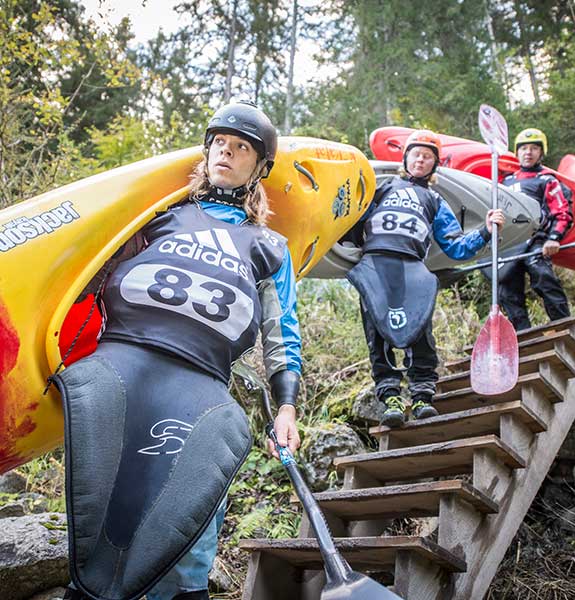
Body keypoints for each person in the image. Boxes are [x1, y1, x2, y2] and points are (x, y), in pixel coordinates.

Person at [60, 101, 302, 600]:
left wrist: (286, 405)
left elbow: (282, 333)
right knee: (99, 515)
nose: (226, 153)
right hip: (120, 364)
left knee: (187, 531)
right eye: (219, 144)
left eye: (240, 148)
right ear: (206, 151)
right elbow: (89, 280)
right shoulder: (159, 217)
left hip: (200, 384)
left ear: (258, 168)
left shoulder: (270, 247)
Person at [348, 129, 505, 427]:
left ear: (434, 165)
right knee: (377, 335)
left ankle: (422, 395)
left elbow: (456, 247)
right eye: (416, 154)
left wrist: (485, 230)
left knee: (420, 332)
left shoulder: (434, 200)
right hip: (375, 266)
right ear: (406, 158)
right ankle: (391, 397)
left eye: (427, 157)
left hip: (412, 269)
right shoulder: (382, 188)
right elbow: (349, 223)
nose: (420, 160)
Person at [499, 128, 573, 330]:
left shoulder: (547, 180)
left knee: (542, 275)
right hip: (509, 244)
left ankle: (564, 326)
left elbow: (562, 212)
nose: (528, 153)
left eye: (534, 148)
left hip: (535, 240)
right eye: (523, 148)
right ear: (517, 152)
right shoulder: (505, 182)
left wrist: (554, 238)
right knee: (506, 289)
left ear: (541, 153)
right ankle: (523, 337)